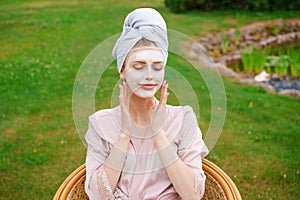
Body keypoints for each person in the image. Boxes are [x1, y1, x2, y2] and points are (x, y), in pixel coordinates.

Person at [85, 8, 208, 200]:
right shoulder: (100, 123)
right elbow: (98, 195)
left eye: (157, 67)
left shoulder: (183, 120)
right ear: (122, 71)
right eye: (139, 66)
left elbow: (192, 195)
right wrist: (124, 135)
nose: (150, 75)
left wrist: (159, 134)